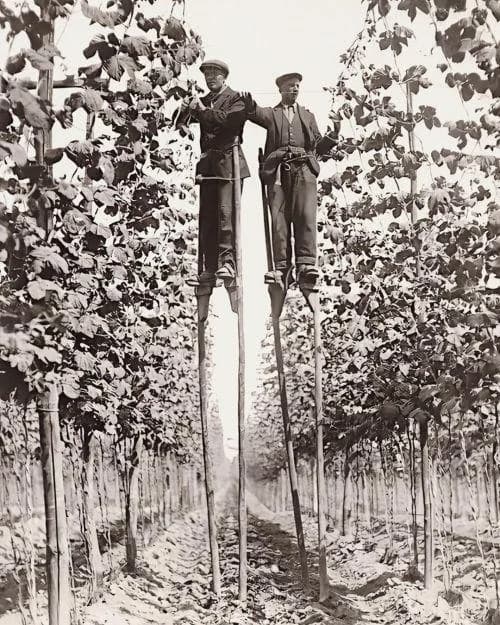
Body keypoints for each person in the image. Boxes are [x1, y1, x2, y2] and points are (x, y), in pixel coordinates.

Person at [240, 73, 337, 286]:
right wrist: (249, 106)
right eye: (291, 86)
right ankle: (282, 268)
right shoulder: (272, 114)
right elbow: (256, 113)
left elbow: (318, 146)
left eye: (297, 86)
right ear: (281, 89)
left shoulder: (308, 116)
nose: (295, 89)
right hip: (277, 171)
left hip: (303, 169)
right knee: (278, 218)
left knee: (305, 214)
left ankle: (306, 265)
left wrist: (334, 135)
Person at [179, 59, 250, 283]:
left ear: (224, 77)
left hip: (229, 162)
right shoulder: (204, 100)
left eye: (214, 75)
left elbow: (229, 122)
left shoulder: (236, 99)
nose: (210, 79)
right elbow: (182, 121)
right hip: (208, 166)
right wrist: (186, 108)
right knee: (208, 218)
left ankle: (228, 262)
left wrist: (202, 111)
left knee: (225, 214)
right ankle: (209, 266)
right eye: (206, 75)